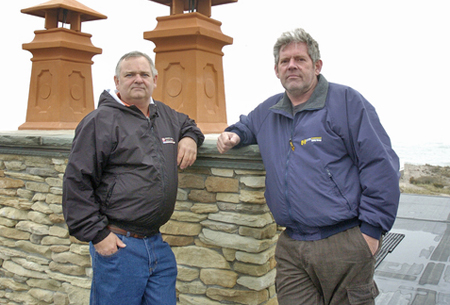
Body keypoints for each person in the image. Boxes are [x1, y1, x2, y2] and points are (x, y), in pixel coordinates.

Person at [217, 28, 400, 305]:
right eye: (284, 61)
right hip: (291, 246)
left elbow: (380, 165)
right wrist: (235, 133)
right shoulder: (269, 111)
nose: (291, 65)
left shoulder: (347, 102)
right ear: (276, 70)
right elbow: (248, 125)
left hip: (344, 241)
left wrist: (372, 231)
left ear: (317, 66)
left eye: (300, 59)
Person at [63, 51, 204, 305]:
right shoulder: (99, 121)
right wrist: (98, 235)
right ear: (117, 82)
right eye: (130, 75)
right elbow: (77, 182)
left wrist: (190, 138)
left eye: (144, 74)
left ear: (155, 80)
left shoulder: (165, 115)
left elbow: (189, 124)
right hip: (119, 247)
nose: (138, 79)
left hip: (157, 244)